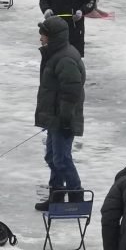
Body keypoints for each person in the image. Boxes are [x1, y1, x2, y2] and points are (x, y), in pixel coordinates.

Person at [35, 16, 86, 201]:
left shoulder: (65, 58)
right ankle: (56, 196)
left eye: (44, 35)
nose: (41, 38)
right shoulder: (56, 54)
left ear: (53, 37)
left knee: (62, 160)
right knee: (52, 157)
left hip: (64, 119)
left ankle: (76, 196)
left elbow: (71, 91)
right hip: (55, 118)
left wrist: (65, 118)